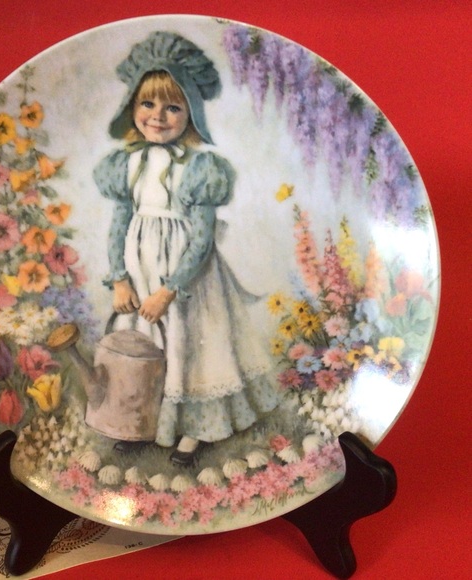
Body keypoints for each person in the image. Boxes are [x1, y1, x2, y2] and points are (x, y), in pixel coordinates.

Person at [94, 31, 279, 465]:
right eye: (147, 104)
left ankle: (195, 430)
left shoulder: (200, 168)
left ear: (191, 112)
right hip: (140, 271)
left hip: (187, 278)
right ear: (132, 106)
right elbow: (119, 226)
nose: (157, 116)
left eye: (172, 107)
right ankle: (143, 419)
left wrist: (169, 289)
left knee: (191, 345)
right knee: (146, 344)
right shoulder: (127, 165)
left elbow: (201, 239)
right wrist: (119, 279)